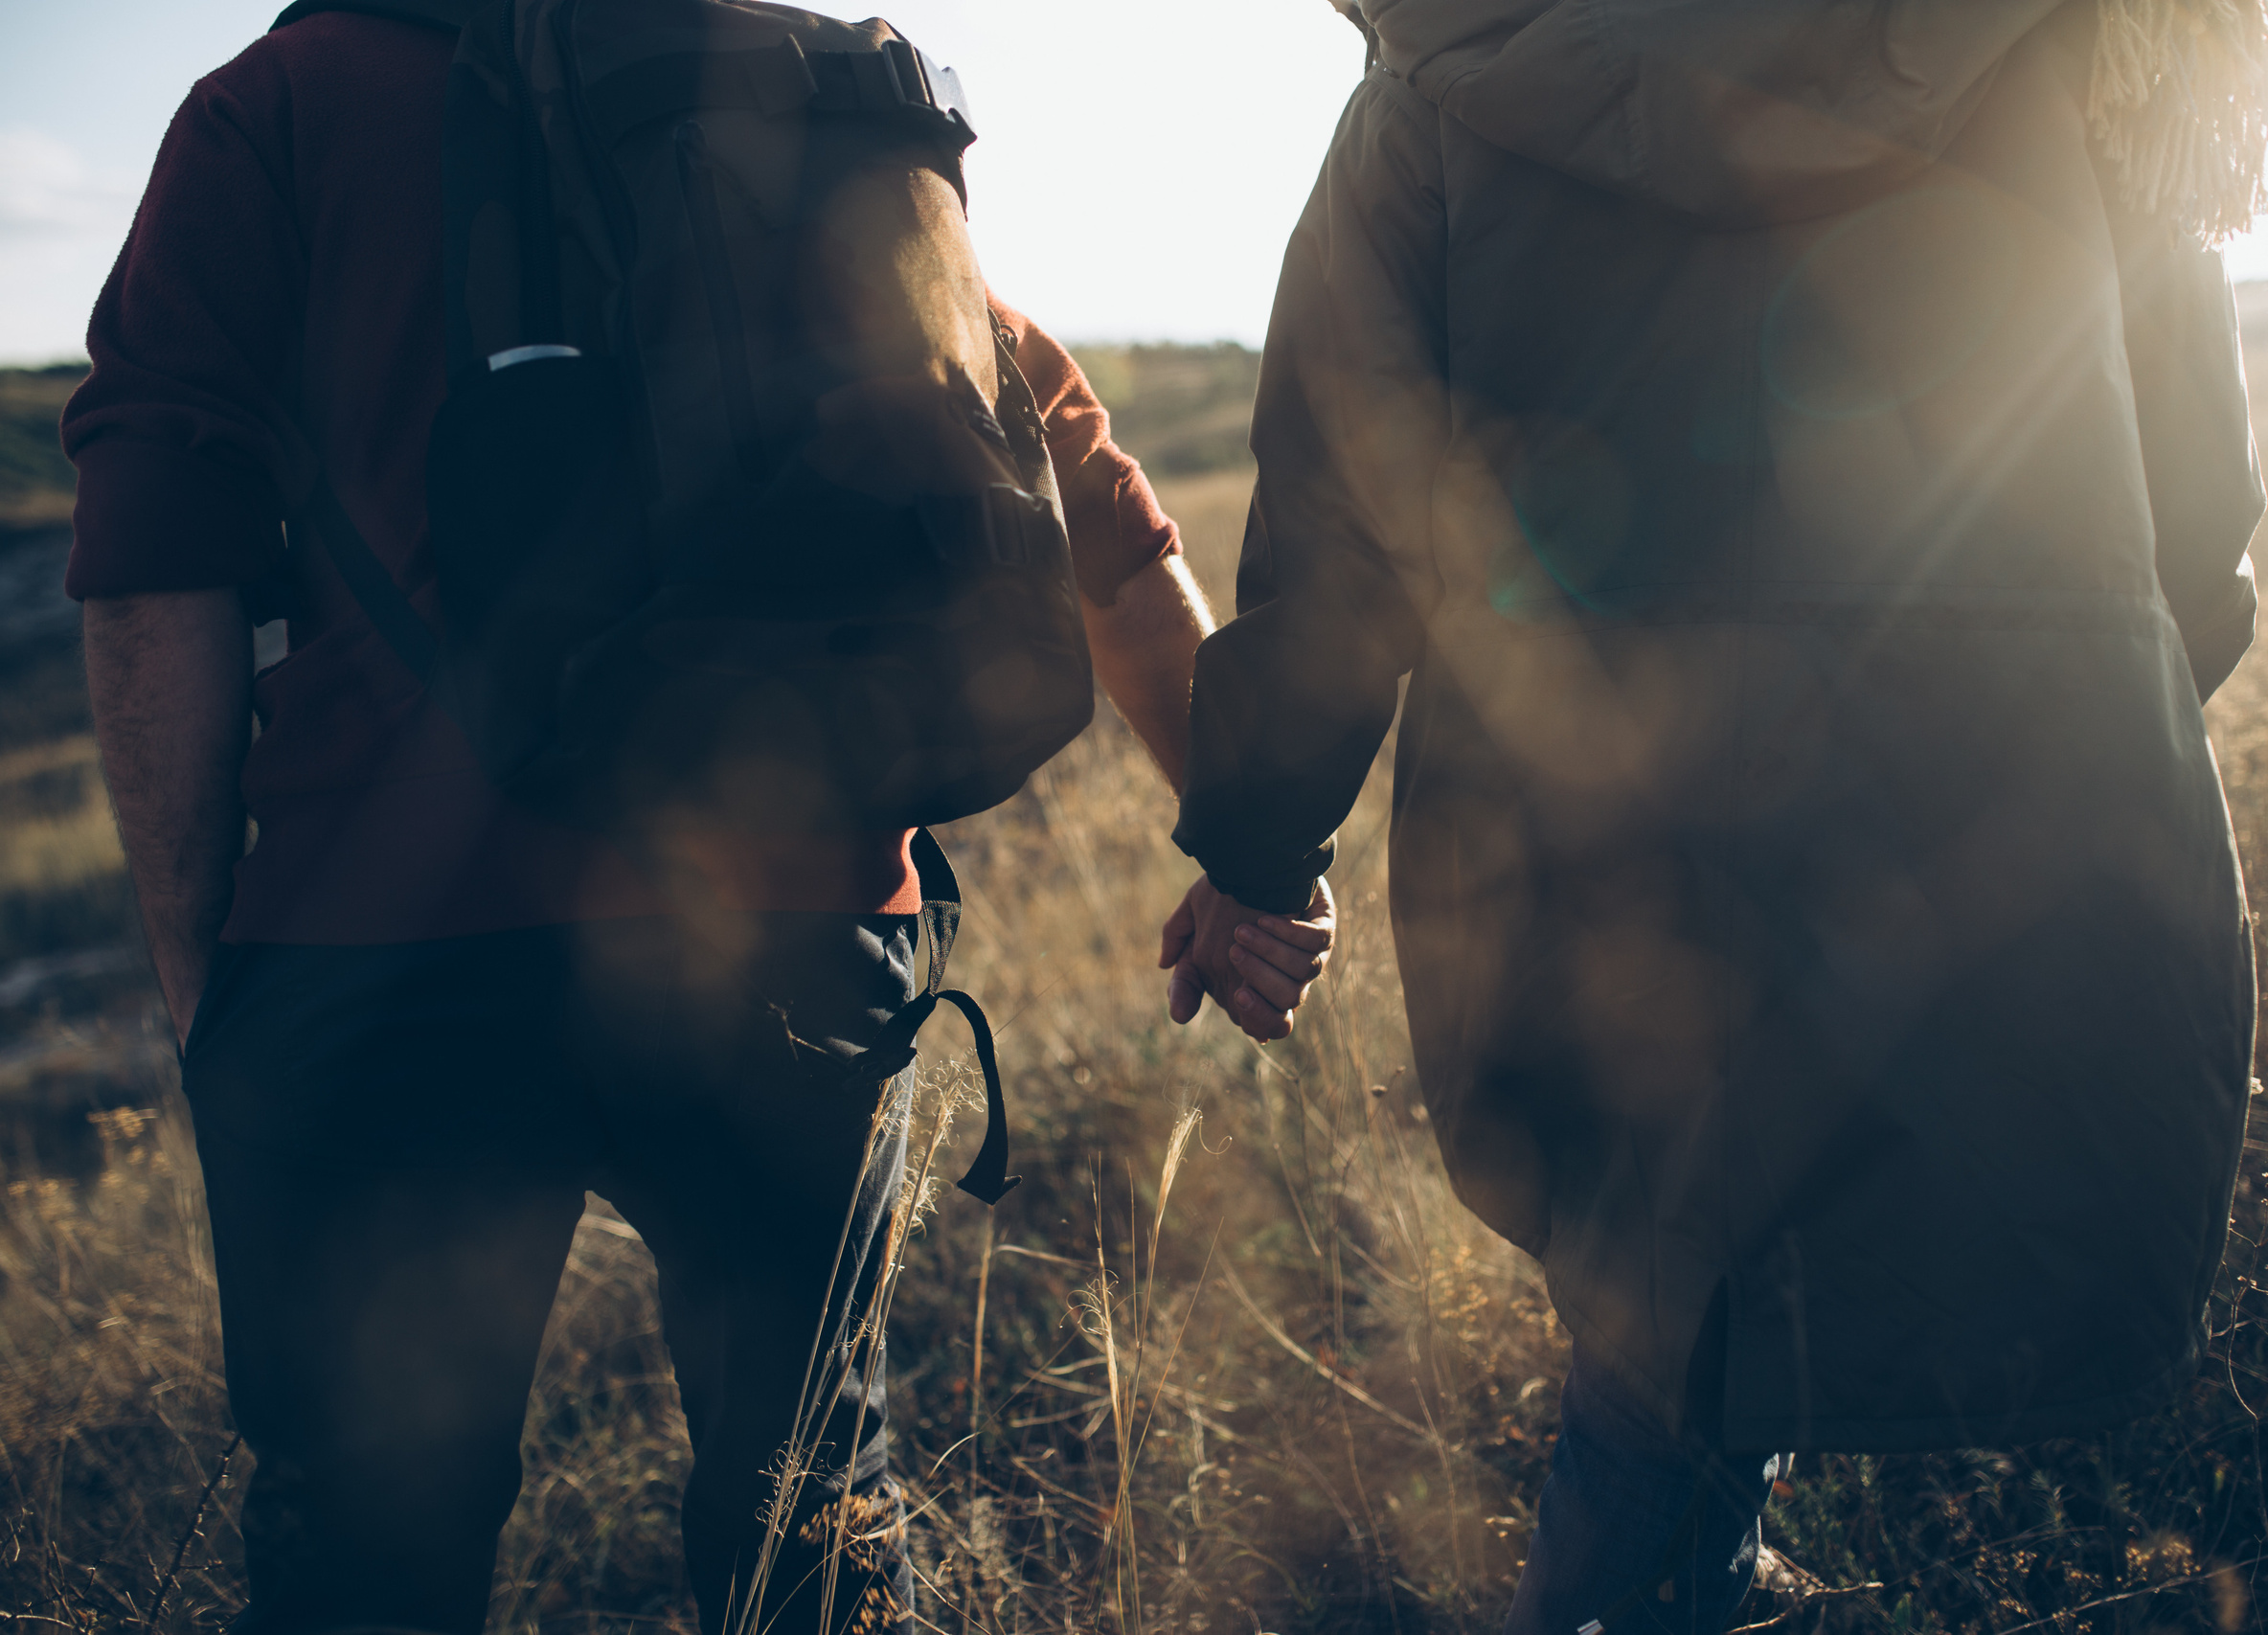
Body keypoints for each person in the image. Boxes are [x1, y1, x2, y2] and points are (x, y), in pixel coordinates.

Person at [63, 9, 1327, 1633]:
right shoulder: (798, 98)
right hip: (793, 929)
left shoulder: (281, 107)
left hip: (383, 957)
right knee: (812, 1504)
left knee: (368, 1554)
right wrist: (1243, 857)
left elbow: (156, 556)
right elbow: (1100, 522)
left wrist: (205, 996)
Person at [1165, 1, 2268, 1628]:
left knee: (1661, 1328)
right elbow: (2199, 509)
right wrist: (2076, 731)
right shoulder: (2074, 55)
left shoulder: (1441, 85)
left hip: (1590, 858)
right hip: (2006, 825)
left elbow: (1341, 535)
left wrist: (1261, 852)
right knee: (1718, 1346)